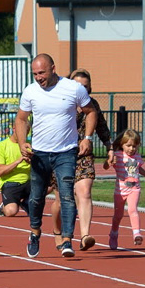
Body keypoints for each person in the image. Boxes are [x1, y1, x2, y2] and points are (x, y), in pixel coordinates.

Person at [13, 54, 96, 259]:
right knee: (36, 198)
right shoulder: (30, 91)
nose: (38, 78)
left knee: (67, 194)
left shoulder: (72, 88)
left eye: (42, 73)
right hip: (39, 153)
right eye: (35, 74)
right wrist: (23, 142)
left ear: (53, 68)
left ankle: (67, 240)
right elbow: (21, 119)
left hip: (66, 152)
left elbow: (91, 111)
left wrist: (87, 138)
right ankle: (34, 233)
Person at [49, 69, 114, 251]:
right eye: (77, 85)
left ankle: (85, 235)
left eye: (85, 86)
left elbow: (102, 127)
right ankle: (57, 232)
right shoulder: (61, 102)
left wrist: (109, 148)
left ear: (90, 87)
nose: (81, 89)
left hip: (83, 155)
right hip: (61, 155)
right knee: (62, 200)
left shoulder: (92, 105)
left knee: (84, 192)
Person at [104, 130, 145, 249]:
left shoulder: (137, 157)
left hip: (134, 188)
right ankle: (113, 234)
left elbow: (139, 169)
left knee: (132, 210)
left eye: (134, 146)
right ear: (122, 144)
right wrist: (108, 162)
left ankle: (136, 233)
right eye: (128, 146)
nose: (131, 149)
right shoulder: (118, 155)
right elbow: (105, 166)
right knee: (118, 216)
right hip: (120, 190)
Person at [0, 132, 31, 217]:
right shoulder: (2, 146)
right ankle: (4, 207)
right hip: (10, 183)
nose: (23, 134)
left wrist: (32, 162)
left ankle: (26, 202)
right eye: (21, 130)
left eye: (26, 132)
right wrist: (18, 161)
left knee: (52, 184)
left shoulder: (30, 146)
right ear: (15, 129)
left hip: (28, 181)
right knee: (11, 211)